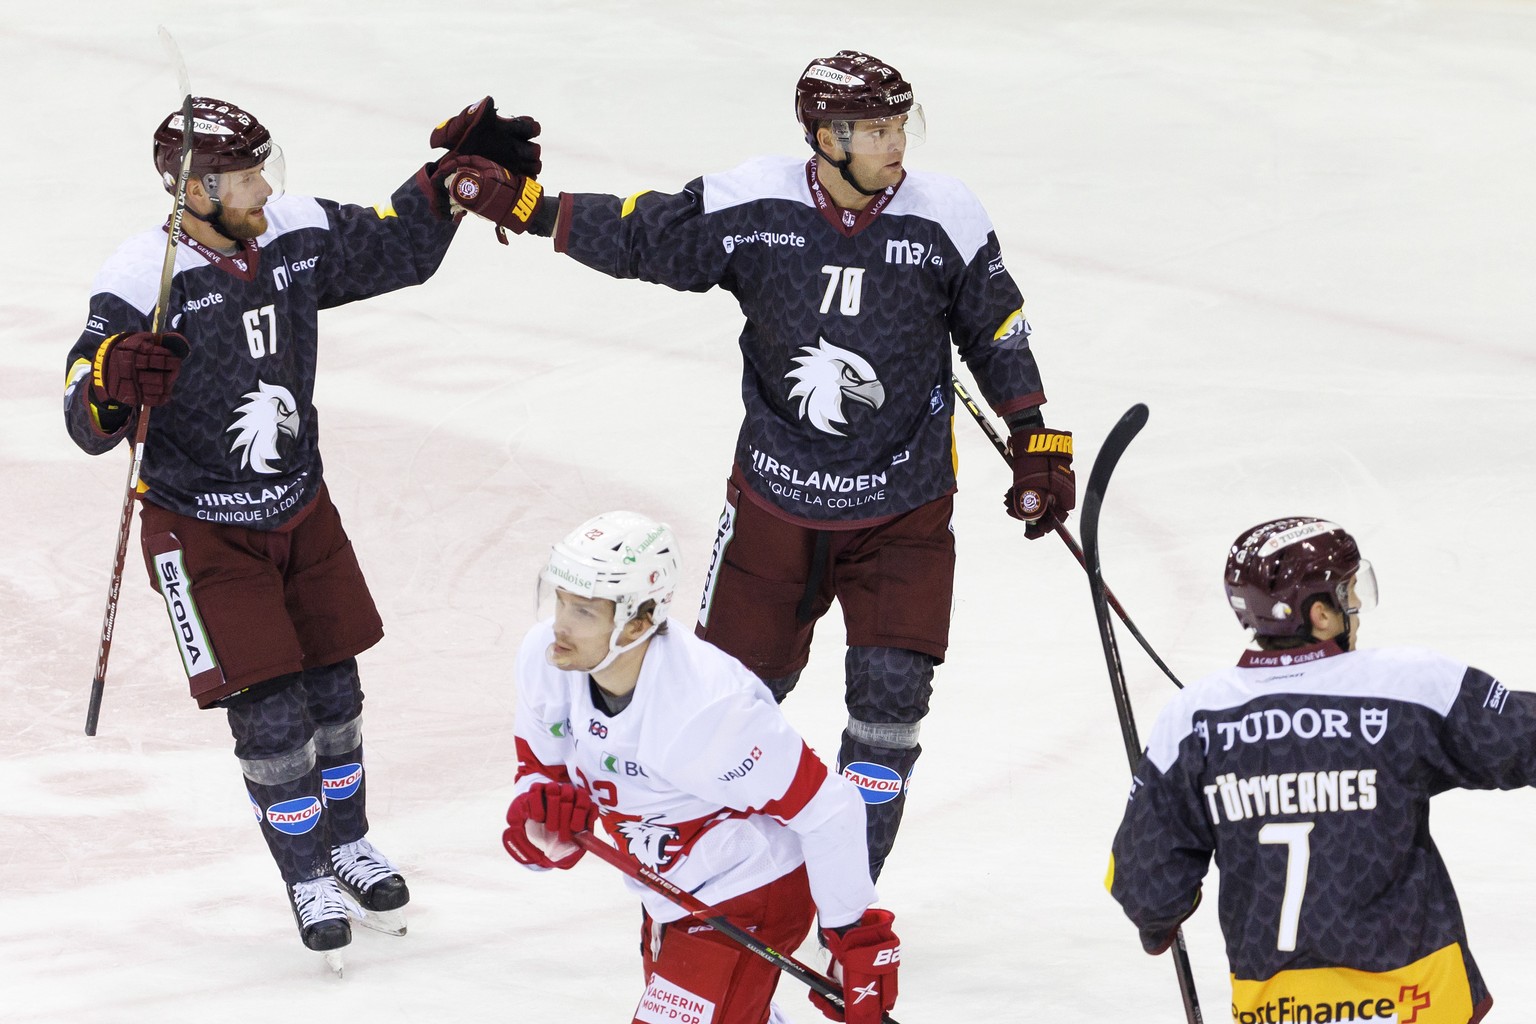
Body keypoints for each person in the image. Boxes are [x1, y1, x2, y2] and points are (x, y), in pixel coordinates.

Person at [452, 49, 1076, 880]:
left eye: (901, 125)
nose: (898, 145)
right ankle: (718, 874)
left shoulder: (945, 215)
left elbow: (996, 327)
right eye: (879, 129)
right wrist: (523, 203)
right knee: (726, 703)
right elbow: (643, 234)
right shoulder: (755, 203)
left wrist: (1036, 436)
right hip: (774, 509)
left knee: (890, 711)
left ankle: (844, 895)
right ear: (826, 136)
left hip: (904, 511)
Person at [62, 95, 542, 958]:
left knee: (335, 695)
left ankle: (349, 842)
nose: (264, 186)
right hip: (201, 529)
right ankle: (306, 873)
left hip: (300, 506)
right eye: (245, 174)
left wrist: (447, 184)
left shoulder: (290, 229)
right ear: (196, 189)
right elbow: (82, 411)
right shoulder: (145, 274)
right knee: (273, 717)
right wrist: (113, 378)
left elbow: (393, 244)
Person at [1107, 517, 1536, 1024]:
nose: (1357, 611)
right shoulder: (1407, 685)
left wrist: (1161, 922)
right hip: (1417, 1005)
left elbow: (1145, 887)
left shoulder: (1192, 720)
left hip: (1276, 1013)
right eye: (1349, 595)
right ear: (1321, 615)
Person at [505, 510, 900, 1024]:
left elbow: (827, 808)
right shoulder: (549, 657)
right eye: (558, 599)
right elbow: (542, 771)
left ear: (639, 621)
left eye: (583, 611)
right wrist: (543, 814)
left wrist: (853, 932)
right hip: (666, 894)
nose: (559, 624)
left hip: (751, 892)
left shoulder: (707, 712)